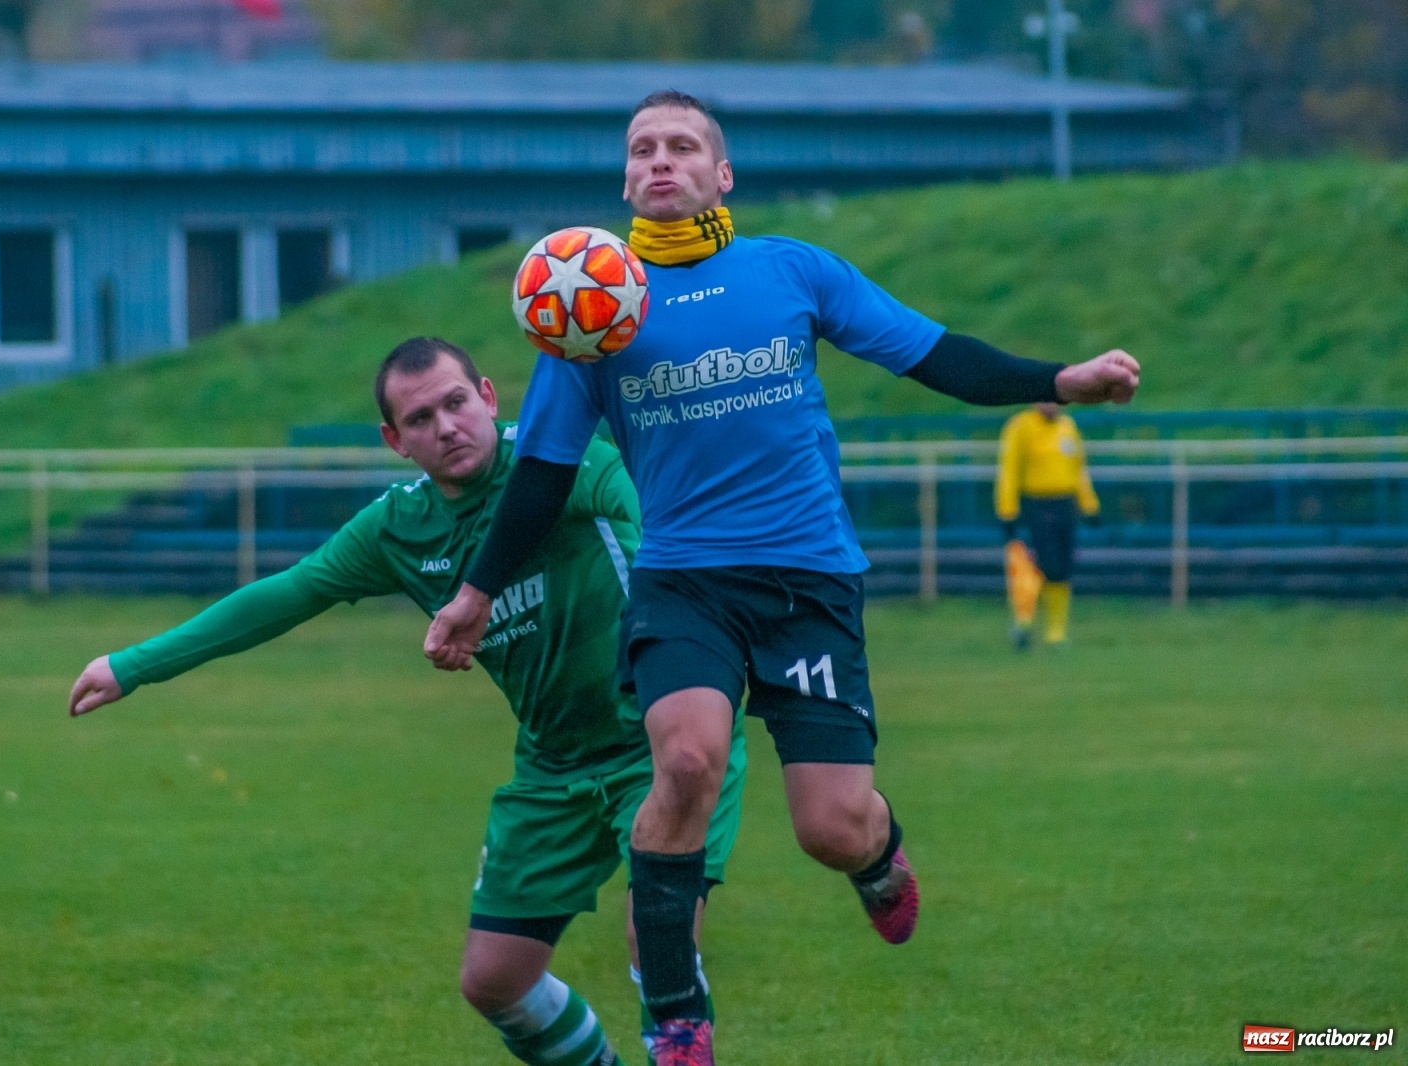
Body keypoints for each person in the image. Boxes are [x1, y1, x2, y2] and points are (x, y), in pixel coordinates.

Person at [423, 91, 1140, 1065]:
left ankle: (878, 855)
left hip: (807, 580)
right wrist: (471, 592)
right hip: (684, 583)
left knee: (829, 826)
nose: (660, 161)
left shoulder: (790, 269)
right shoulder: (589, 314)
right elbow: (542, 473)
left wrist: (1061, 380)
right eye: (642, 149)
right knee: (684, 760)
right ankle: (675, 1012)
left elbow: (934, 355)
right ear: (625, 180)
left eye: (683, 146)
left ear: (723, 176)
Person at [67, 337, 747, 1066]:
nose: (446, 426)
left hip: (662, 740)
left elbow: (650, 522)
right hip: (554, 767)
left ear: (487, 397)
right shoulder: (399, 527)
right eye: (420, 419)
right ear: (395, 441)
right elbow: (285, 596)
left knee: (660, 928)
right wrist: (133, 665)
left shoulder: (564, 459)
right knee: (495, 981)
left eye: (456, 403)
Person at [995, 402, 1102, 649]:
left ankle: (1056, 632)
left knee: (1063, 567)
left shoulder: (1067, 427)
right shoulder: (1021, 426)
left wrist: (1090, 505)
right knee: (1038, 564)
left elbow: (1078, 469)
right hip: (1036, 504)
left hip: (1066, 504)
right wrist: (1007, 509)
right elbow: (1009, 469)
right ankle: (1024, 621)